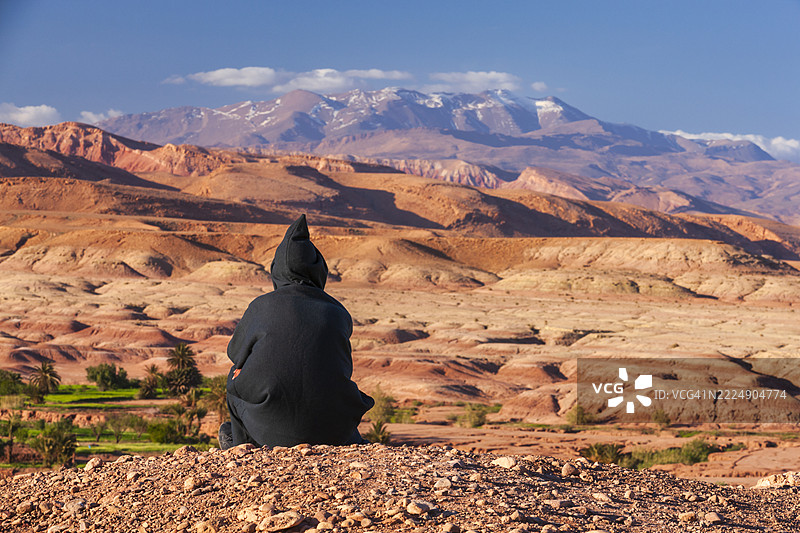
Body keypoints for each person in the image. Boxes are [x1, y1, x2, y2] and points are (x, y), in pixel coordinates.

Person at [219, 214, 374, 448]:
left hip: (272, 431)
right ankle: (351, 440)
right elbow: (342, 367)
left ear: (277, 271)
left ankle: (241, 447)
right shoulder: (337, 311)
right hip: (333, 430)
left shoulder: (261, 305)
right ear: (318, 270)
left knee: (235, 378)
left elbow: (235, 354)